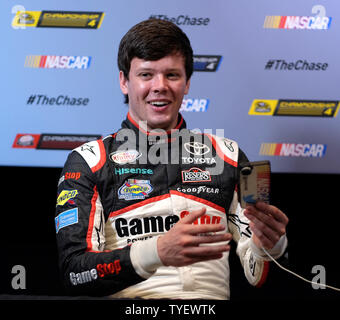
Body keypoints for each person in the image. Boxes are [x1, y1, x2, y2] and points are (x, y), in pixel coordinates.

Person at [55, 19, 288, 299]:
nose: (160, 86)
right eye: (146, 75)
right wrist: (157, 252)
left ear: (187, 83)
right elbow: (74, 272)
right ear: (123, 81)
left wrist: (271, 245)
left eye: (172, 75)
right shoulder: (90, 160)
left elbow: (258, 271)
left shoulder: (227, 155)